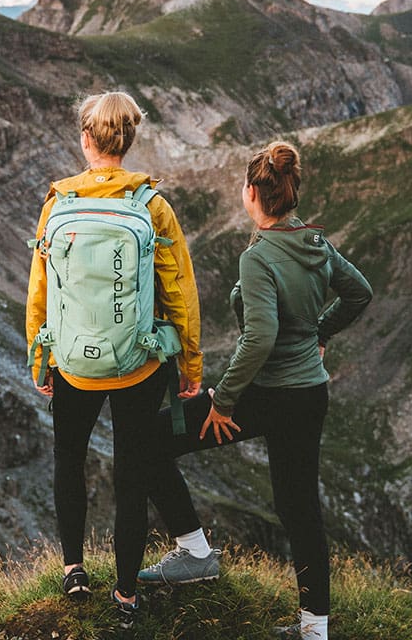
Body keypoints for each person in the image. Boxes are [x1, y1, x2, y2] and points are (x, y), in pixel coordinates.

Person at [138, 141, 372, 640]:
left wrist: (222, 401)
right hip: (310, 394)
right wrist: (321, 334)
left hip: (263, 396)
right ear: (290, 194)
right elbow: (360, 292)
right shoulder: (315, 243)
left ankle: (196, 554)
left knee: (150, 441)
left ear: (251, 193)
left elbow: (260, 336)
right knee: (299, 509)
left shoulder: (261, 255)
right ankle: (314, 630)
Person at [25, 91, 203, 628]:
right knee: (133, 474)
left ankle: (75, 569)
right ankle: (126, 596)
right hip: (139, 366)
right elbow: (180, 292)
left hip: (73, 364)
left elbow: (41, 290)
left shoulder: (58, 204)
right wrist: (190, 366)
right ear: (128, 141)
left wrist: (42, 359)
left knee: (67, 461)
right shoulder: (152, 206)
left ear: (86, 140)